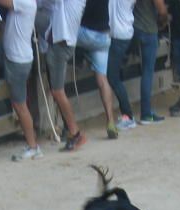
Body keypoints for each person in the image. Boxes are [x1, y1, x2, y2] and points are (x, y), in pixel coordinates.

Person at [0, 0, 43, 161]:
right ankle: (32, 144)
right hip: (15, 57)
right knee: (20, 104)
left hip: (18, 60)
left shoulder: (25, 2)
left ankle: (33, 146)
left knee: (20, 105)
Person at [45, 0, 87, 151]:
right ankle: (72, 131)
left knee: (58, 91)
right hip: (61, 42)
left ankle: (74, 132)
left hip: (61, 44)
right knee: (57, 91)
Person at [76, 0, 119, 140]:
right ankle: (111, 121)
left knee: (62, 29)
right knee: (102, 79)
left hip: (85, 33)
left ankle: (79, 59)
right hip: (103, 36)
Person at [130, 0, 166, 124]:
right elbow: (161, 9)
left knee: (144, 71)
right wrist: (165, 19)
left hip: (134, 28)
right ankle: (146, 113)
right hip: (149, 30)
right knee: (147, 72)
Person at [106, 0, 138, 131]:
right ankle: (126, 115)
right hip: (120, 34)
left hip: (120, 36)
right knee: (115, 76)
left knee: (113, 77)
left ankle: (128, 116)